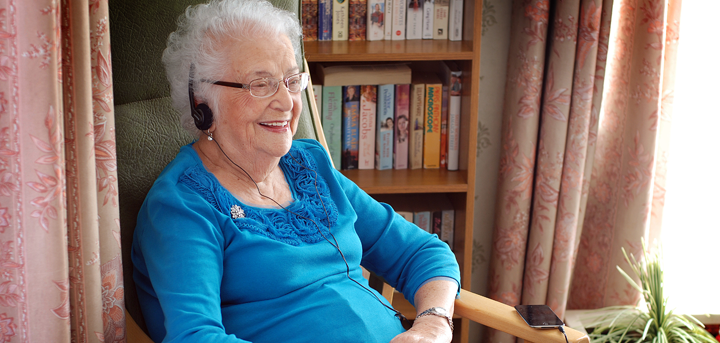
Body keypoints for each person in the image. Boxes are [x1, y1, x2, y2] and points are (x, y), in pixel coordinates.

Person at [131, 1, 460, 342]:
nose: (287, 103)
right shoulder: (181, 206)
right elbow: (196, 337)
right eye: (260, 84)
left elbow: (422, 252)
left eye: (291, 81)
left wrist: (432, 324)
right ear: (202, 102)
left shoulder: (309, 165)